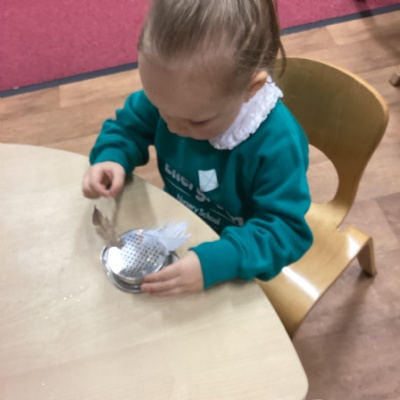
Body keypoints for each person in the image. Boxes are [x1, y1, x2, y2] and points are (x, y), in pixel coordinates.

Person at [82, 0, 313, 296]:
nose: (172, 127)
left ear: (250, 88)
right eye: (160, 108)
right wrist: (112, 156)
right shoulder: (177, 98)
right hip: (181, 227)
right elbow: (128, 125)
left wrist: (218, 261)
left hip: (236, 261)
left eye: (197, 121)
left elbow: (285, 231)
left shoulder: (277, 144)